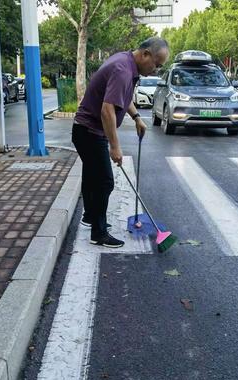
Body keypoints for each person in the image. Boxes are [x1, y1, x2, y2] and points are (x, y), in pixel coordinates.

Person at [72, 37, 170, 248]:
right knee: (105, 181)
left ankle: (90, 216)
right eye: (156, 64)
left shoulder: (125, 61)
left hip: (83, 129)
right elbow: (107, 110)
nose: (156, 69)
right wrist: (114, 146)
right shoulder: (123, 70)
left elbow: (122, 97)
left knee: (91, 175)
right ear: (145, 54)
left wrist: (136, 117)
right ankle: (99, 233)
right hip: (90, 131)